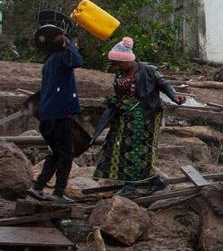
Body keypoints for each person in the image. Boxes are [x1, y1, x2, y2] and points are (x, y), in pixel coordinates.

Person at [93, 36, 183, 197]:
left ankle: (131, 185)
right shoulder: (120, 72)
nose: (116, 67)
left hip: (145, 116)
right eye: (115, 64)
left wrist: (175, 97)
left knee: (138, 149)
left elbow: (165, 85)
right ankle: (153, 181)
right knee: (120, 147)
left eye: (119, 63)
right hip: (125, 116)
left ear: (129, 60)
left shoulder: (148, 70)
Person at [29, 24, 83, 203]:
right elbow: (78, 61)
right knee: (66, 154)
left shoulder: (49, 63)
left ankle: (37, 186)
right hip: (60, 114)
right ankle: (58, 193)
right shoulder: (61, 58)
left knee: (56, 153)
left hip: (47, 115)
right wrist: (69, 43)